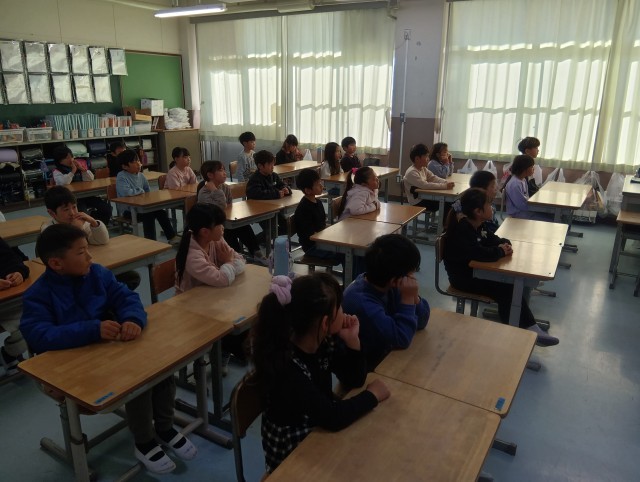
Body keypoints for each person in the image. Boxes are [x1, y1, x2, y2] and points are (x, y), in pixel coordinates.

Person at [20, 224, 197, 474]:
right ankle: (144, 441)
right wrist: (92, 329)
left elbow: (126, 298)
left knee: (160, 367)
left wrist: (132, 319)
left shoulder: (97, 273)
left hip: (107, 352)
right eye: (81, 252)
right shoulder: (38, 295)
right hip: (70, 368)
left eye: (87, 249)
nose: (90, 257)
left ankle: (165, 427)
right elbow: (39, 335)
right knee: (138, 379)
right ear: (56, 263)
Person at [250, 273, 390, 474]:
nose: (344, 311)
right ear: (325, 323)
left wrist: (353, 342)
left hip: (317, 427)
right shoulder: (288, 369)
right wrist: (372, 395)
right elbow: (332, 416)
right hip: (291, 457)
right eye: (339, 307)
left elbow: (354, 379)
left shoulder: (320, 342)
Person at [442, 188, 559, 346]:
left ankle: (524, 328)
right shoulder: (463, 229)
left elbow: (492, 239)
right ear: (478, 211)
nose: (492, 207)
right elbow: (478, 253)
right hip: (463, 278)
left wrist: (504, 244)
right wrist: (500, 251)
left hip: (476, 273)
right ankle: (524, 330)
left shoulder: (478, 224)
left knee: (511, 286)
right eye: (489, 204)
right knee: (507, 289)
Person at [175, 203, 247, 375]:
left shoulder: (216, 239)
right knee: (235, 325)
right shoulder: (193, 255)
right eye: (219, 225)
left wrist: (229, 264)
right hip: (190, 307)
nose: (223, 228)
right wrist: (228, 263)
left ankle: (223, 352)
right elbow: (222, 278)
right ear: (204, 231)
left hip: (212, 297)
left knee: (245, 317)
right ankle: (220, 352)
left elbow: (240, 260)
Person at [342, 234, 430, 370]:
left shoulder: (387, 283)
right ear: (394, 280)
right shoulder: (362, 303)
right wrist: (407, 300)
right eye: (411, 273)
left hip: (388, 357)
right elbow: (401, 338)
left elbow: (422, 321)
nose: (413, 278)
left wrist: (414, 297)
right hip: (369, 370)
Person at [42, 185, 141, 290]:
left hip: (91, 266)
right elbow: (66, 256)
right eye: (66, 209)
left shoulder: (79, 221)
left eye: (74, 207)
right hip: (72, 274)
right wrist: (77, 230)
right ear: (52, 213)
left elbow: (102, 241)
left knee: (132, 277)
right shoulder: (48, 231)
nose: (72, 213)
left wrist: (94, 223)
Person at [197, 161, 266, 264]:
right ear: (210, 175)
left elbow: (229, 206)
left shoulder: (225, 187)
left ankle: (256, 253)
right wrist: (216, 191)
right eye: (220, 170)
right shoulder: (204, 192)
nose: (225, 173)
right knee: (229, 231)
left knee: (242, 225)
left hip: (224, 219)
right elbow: (219, 208)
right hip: (212, 224)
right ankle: (237, 255)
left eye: (224, 170)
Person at [115, 149, 180, 244]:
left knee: (160, 211)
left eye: (138, 160)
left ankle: (172, 237)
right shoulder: (121, 176)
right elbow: (126, 192)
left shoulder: (141, 176)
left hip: (142, 207)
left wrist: (145, 196)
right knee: (148, 215)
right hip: (128, 210)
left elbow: (147, 191)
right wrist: (140, 191)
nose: (138, 163)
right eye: (134, 162)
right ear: (125, 166)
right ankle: (151, 242)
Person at [51, 145, 111, 226]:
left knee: (106, 208)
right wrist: (72, 171)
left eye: (72, 157)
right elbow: (64, 183)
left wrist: (82, 169)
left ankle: (99, 225)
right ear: (60, 161)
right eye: (67, 158)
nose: (71, 160)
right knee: (83, 214)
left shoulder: (78, 167)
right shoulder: (57, 171)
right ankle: (85, 229)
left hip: (86, 195)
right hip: (73, 199)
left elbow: (90, 179)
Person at [293, 168, 342, 265]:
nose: (321, 186)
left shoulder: (318, 202)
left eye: (320, 182)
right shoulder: (304, 208)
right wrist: (329, 238)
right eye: (317, 184)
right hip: (312, 247)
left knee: (346, 249)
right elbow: (310, 235)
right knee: (344, 253)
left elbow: (322, 225)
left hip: (321, 241)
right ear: (308, 190)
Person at [0, 236, 29, 376]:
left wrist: (18, 273)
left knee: (37, 316)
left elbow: (14, 260)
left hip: (7, 301)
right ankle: (10, 353)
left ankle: (10, 353)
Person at [246, 150, 292, 236]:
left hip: (273, 209)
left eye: (273, 164)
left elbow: (282, 184)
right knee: (272, 231)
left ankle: (266, 239)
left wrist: (286, 189)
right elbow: (256, 194)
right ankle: (256, 241)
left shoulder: (273, 175)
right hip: (260, 211)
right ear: (260, 166)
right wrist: (276, 194)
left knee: (288, 227)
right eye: (270, 164)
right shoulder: (255, 179)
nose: (272, 167)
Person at [403, 143, 454, 212]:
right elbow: (425, 185)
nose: (428, 159)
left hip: (424, 197)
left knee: (449, 201)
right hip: (418, 202)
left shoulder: (423, 168)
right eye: (426, 156)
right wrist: (445, 186)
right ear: (417, 159)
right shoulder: (412, 172)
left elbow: (433, 178)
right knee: (447, 202)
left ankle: (446, 219)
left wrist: (446, 182)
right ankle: (445, 219)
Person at [504, 154, 547, 220]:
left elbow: (526, 198)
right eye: (531, 167)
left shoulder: (523, 180)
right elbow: (521, 205)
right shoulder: (515, 184)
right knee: (549, 219)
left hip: (524, 211)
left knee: (548, 215)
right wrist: (538, 208)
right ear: (524, 169)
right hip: (518, 213)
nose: (533, 169)